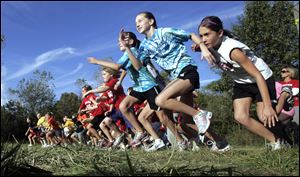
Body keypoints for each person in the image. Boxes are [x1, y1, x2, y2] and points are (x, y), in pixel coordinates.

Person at [195, 16, 289, 150]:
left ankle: (284, 98)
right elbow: (195, 39)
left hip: (261, 77)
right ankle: (277, 142)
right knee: (240, 116)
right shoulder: (209, 45)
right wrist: (200, 46)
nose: (203, 39)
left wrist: (268, 106)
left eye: (207, 34)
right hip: (242, 82)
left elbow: (257, 75)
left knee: (265, 116)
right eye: (201, 35)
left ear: (220, 33)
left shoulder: (233, 51)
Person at [88, 31, 187, 151]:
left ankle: (181, 141)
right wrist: (121, 80)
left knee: (164, 119)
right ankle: (151, 137)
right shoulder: (126, 54)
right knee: (126, 108)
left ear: (130, 41)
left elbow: (126, 66)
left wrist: (97, 61)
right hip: (139, 88)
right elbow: (123, 68)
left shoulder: (137, 51)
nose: (119, 43)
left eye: (122, 41)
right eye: (119, 41)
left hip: (151, 86)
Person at [123, 11, 215, 140]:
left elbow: (191, 35)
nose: (137, 25)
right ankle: (220, 142)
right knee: (184, 123)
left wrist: (203, 48)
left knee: (160, 100)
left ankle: (199, 114)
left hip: (187, 70)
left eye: (140, 21)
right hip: (177, 77)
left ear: (151, 21)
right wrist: (127, 48)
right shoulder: (144, 45)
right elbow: (138, 66)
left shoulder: (165, 32)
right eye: (135, 23)